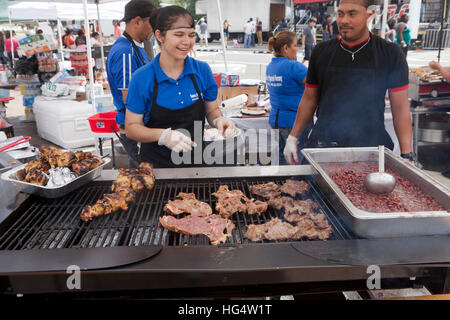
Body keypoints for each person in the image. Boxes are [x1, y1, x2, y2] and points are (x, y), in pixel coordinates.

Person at [283, 0, 414, 165]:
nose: (344, 20)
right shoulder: (321, 51)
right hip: (324, 145)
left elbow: (400, 107)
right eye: (340, 14)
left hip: (371, 147)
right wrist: (293, 137)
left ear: (370, 14)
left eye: (352, 14)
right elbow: (309, 98)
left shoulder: (390, 53)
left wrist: (407, 154)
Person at [125, 6, 236, 168]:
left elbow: (211, 110)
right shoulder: (142, 78)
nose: (187, 42)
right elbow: (132, 128)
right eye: (179, 35)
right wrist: (163, 135)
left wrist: (219, 120)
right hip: (156, 168)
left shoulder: (202, 70)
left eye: (191, 35)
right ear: (159, 36)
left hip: (198, 162)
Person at [106, 0, 156, 168]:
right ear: (137, 21)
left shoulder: (136, 47)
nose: (154, 30)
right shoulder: (125, 51)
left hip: (142, 123)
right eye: (152, 23)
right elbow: (129, 97)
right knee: (142, 174)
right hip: (135, 126)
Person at [266, 31, 311, 165]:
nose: (297, 49)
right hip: (294, 122)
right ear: (286, 48)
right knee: (295, 163)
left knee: (281, 160)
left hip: (276, 120)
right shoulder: (293, 66)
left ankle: (280, 184)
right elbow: (316, 84)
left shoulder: (271, 66)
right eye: (295, 45)